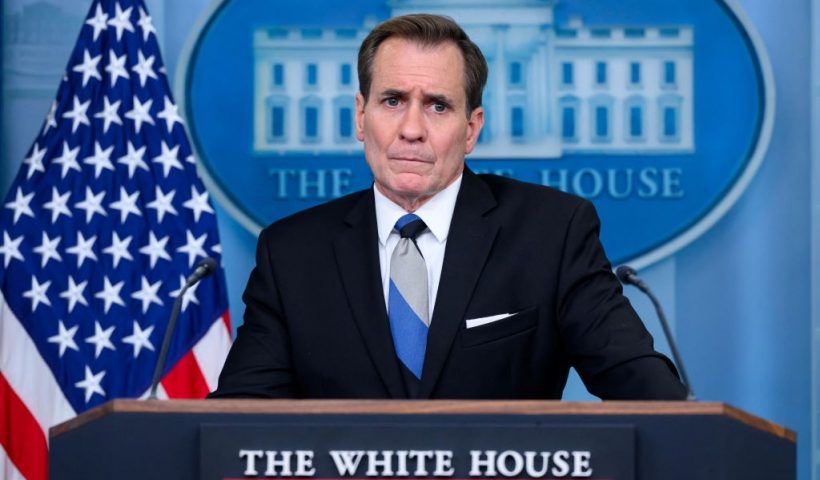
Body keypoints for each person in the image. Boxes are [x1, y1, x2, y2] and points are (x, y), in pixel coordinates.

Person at [209, 14, 687, 400]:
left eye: (437, 106)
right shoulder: (293, 252)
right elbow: (238, 420)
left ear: (472, 128)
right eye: (392, 101)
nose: (412, 128)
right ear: (360, 116)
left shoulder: (551, 233)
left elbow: (646, 393)